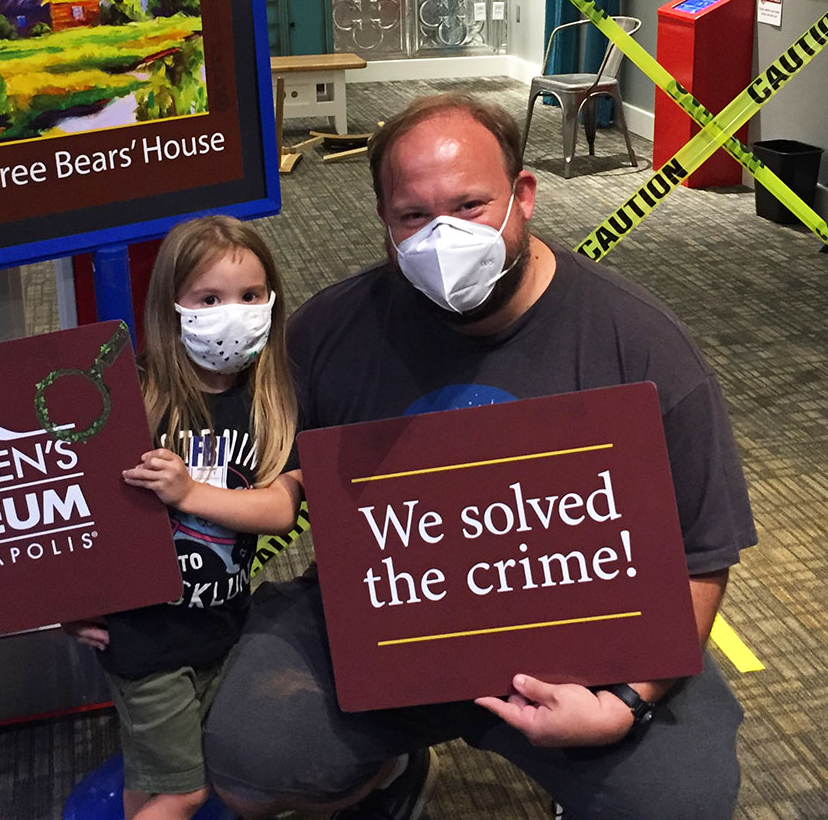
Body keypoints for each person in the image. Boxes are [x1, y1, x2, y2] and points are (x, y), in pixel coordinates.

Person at [201, 93, 756, 820]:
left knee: (680, 805)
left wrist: (627, 700)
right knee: (248, 758)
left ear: (522, 196)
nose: (443, 236)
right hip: (389, 616)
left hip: (582, 635)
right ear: (384, 222)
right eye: (413, 216)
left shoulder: (641, 347)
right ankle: (392, 766)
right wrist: (131, 588)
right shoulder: (328, 332)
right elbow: (234, 474)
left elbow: (701, 555)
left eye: (469, 205)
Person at [65, 215, 303, 820]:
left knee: (158, 775)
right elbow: (70, 514)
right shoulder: (136, 396)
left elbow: (278, 509)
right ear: (174, 305)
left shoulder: (273, 397)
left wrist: (188, 491)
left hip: (222, 624)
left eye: (250, 296)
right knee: (183, 791)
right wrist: (67, 605)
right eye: (209, 298)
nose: (234, 312)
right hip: (146, 639)